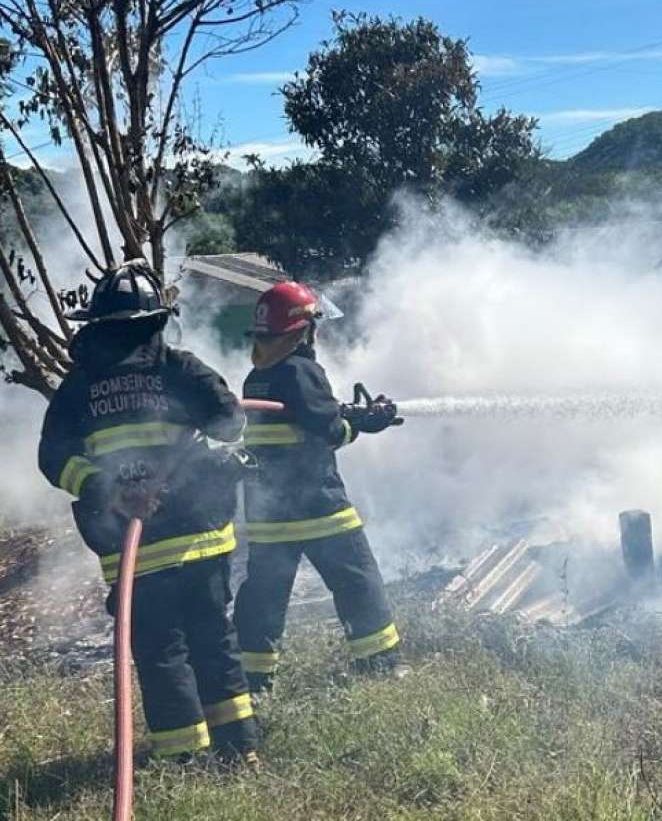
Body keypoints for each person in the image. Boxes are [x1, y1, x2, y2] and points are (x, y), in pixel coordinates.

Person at [37, 260, 258, 763]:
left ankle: (184, 757)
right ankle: (240, 748)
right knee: (213, 641)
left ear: (96, 326)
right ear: (158, 319)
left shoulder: (78, 388)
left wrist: (103, 489)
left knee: (161, 654)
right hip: (201, 538)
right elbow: (230, 422)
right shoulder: (180, 370)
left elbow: (52, 459)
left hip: (134, 551)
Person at [235, 281, 403, 692]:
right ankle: (379, 666)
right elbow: (328, 431)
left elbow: (302, 416)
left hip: (269, 517)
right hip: (318, 508)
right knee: (358, 581)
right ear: (302, 330)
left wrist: (346, 413)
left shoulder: (257, 377)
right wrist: (359, 425)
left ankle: (253, 680)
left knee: (264, 599)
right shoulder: (303, 370)